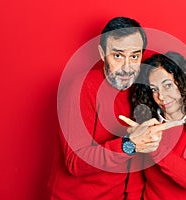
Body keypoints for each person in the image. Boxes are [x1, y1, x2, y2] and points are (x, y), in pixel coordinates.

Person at [48, 17, 163, 200]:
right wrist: (129, 144)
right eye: (117, 55)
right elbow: (75, 163)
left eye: (134, 56)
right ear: (102, 54)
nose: (127, 68)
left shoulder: (142, 89)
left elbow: (135, 166)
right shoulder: (79, 88)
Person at [123, 52, 186, 199]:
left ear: (184, 82)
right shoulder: (147, 125)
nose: (162, 96)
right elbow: (135, 181)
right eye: (154, 89)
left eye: (168, 85)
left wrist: (156, 147)